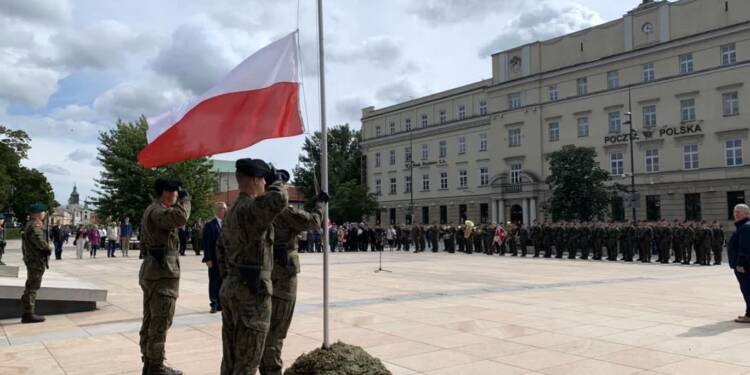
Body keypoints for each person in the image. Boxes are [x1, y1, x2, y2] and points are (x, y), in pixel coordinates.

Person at [219, 158, 287, 374]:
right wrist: (278, 181)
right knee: (248, 361)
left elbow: (220, 250)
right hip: (251, 294)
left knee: (231, 358)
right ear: (256, 179)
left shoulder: (231, 211)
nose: (265, 185)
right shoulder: (250, 208)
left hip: (232, 286)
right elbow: (278, 199)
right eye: (264, 180)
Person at [261, 184, 325, 375]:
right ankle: (271, 370)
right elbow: (313, 222)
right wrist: (320, 205)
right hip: (282, 274)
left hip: (261, 271)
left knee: (263, 324)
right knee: (277, 328)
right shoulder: (284, 211)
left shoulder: (255, 208)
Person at [138, 178, 191, 375]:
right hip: (162, 274)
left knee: (153, 320)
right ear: (166, 193)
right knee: (160, 321)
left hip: (157, 271)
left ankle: (150, 362)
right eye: (175, 192)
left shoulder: (154, 208)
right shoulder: (158, 210)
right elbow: (180, 218)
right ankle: (155, 367)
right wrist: (186, 201)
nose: (177, 195)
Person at [21, 203, 51, 323]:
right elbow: (40, 241)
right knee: (33, 287)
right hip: (35, 261)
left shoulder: (32, 224)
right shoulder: (34, 226)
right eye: (43, 212)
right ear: (38, 214)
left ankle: (26, 308)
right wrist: (48, 248)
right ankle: (28, 313)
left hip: (33, 260)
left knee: (31, 286)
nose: (44, 214)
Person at [202, 202, 226, 314]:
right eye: (223, 209)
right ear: (217, 210)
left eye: (226, 208)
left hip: (225, 260)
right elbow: (206, 244)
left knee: (223, 281)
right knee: (214, 281)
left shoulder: (227, 224)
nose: (225, 211)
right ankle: (214, 303)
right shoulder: (210, 225)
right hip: (214, 259)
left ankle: (221, 303)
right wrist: (208, 259)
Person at [728, 204, 750, 323]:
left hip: (744, 266)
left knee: (747, 289)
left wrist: (740, 263)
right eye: (735, 211)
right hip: (744, 265)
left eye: (739, 212)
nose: (735, 214)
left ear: (747, 214)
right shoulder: (743, 226)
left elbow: (745, 248)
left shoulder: (745, 227)